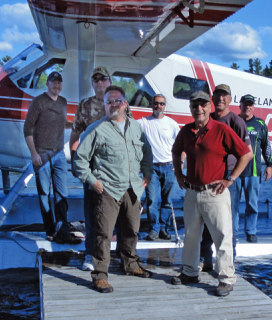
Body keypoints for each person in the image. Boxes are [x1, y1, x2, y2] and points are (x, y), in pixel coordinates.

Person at [171, 91, 252, 297]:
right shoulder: (186, 131)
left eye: (203, 105)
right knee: (190, 235)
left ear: (209, 106)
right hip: (191, 191)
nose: (199, 109)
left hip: (215, 192)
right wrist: (179, 174)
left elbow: (246, 154)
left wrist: (230, 179)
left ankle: (226, 278)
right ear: (190, 108)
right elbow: (175, 151)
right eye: (194, 105)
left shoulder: (222, 129)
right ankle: (189, 272)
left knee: (222, 237)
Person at [73, 86, 154, 293]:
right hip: (107, 189)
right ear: (105, 105)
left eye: (117, 101)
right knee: (103, 234)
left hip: (133, 188)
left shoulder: (136, 127)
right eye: (109, 101)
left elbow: (147, 153)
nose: (113, 105)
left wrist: (147, 174)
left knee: (131, 230)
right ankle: (100, 275)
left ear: (125, 104)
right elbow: (79, 159)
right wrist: (92, 180)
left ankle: (130, 264)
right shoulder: (96, 129)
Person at [69, 66, 127, 270]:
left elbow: (129, 134)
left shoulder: (118, 104)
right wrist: (75, 160)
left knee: (120, 211)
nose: (100, 83)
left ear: (109, 81)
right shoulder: (85, 105)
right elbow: (75, 134)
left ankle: (121, 254)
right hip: (93, 168)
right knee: (93, 211)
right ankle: (91, 255)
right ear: (92, 84)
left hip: (116, 168)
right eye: (96, 80)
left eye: (104, 79)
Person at [199, 84, 251, 269]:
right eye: (217, 95)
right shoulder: (206, 119)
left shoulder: (236, 122)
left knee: (229, 223)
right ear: (212, 99)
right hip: (207, 178)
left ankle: (228, 264)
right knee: (205, 221)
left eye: (224, 96)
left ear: (230, 99)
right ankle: (205, 260)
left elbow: (248, 153)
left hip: (227, 180)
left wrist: (232, 178)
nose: (220, 99)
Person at [23, 71, 77, 244]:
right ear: (47, 84)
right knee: (44, 194)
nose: (56, 85)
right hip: (42, 154)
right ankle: (50, 230)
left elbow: (63, 124)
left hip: (59, 153)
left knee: (62, 193)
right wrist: (34, 154)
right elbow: (27, 129)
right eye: (53, 82)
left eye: (59, 83)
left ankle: (63, 229)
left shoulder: (62, 102)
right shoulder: (38, 101)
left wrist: (76, 124)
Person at [139, 94, 181, 240]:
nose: (159, 106)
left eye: (162, 104)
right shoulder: (144, 122)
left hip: (169, 167)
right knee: (151, 200)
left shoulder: (172, 124)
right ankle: (154, 229)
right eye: (156, 103)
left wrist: (180, 163)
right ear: (151, 104)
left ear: (165, 106)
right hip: (151, 168)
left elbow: (181, 145)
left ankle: (164, 228)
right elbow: (128, 126)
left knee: (167, 200)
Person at [236, 94, 272, 242]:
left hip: (254, 171)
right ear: (240, 105)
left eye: (250, 104)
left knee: (252, 204)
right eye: (245, 104)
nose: (248, 107)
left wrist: (269, 165)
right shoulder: (234, 121)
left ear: (253, 107)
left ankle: (250, 232)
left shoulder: (260, 124)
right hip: (236, 172)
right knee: (232, 205)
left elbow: (267, 146)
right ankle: (232, 232)